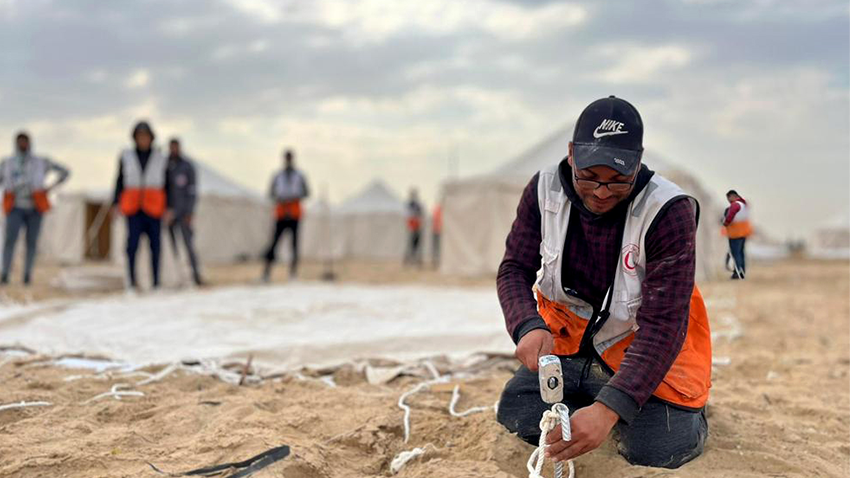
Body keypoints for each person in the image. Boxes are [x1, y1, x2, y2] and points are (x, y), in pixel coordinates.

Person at [495, 96, 711, 469]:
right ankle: (591, 398)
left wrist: (610, 409)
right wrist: (526, 327)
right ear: (571, 155)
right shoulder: (542, 190)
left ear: (638, 163)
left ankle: (695, 416)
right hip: (571, 345)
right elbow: (513, 269)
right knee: (518, 414)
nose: (601, 191)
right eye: (589, 176)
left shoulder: (668, 211)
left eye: (618, 181)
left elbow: (664, 326)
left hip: (643, 351)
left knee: (655, 450)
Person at [0, 132, 70, 285]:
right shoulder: (8, 163)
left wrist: (50, 187)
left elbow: (65, 172)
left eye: (25, 141)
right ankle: (5, 273)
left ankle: (27, 275)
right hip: (14, 206)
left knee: (31, 242)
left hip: (35, 207)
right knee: (10, 240)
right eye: (20, 141)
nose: (23, 144)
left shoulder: (41, 162)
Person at [112, 121, 169, 289]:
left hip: (154, 207)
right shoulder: (126, 156)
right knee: (132, 246)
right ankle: (131, 281)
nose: (143, 140)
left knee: (156, 246)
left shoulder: (160, 157)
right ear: (135, 138)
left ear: (151, 138)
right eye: (139, 136)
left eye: (145, 136)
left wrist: (169, 207)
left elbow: (168, 184)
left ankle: (156, 282)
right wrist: (116, 203)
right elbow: (119, 181)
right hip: (133, 207)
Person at [262, 149, 309, 282]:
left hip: (294, 212)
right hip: (281, 212)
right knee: (274, 243)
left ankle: (293, 274)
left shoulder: (300, 176)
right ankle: (266, 273)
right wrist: (281, 198)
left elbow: (306, 192)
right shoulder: (277, 176)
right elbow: (270, 192)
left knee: (294, 245)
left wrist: (294, 197)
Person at [165, 138, 203, 286]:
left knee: (188, 245)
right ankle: (175, 276)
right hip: (169, 213)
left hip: (184, 213)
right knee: (170, 246)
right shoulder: (165, 165)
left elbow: (192, 191)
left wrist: (190, 212)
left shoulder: (187, 166)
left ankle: (195, 275)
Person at [722, 190, 752, 279]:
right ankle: (742, 272)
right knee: (741, 253)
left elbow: (730, 215)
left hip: (735, 233)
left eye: (728, 197)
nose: (728, 200)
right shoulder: (744, 205)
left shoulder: (735, 205)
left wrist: (725, 223)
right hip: (743, 233)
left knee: (736, 254)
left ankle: (738, 273)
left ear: (732, 196)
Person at [404, 189, 423, 266]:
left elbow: (420, 215)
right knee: (411, 245)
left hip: (417, 227)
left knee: (416, 245)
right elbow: (408, 216)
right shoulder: (409, 205)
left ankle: (414, 260)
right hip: (412, 228)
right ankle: (409, 260)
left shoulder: (417, 205)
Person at [431, 202, 442, 268]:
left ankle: (436, 260)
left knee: (437, 247)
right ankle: (435, 260)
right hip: (437, 230)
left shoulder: (437, 209)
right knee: (436, 247)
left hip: (438, 230)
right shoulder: (438, 210)